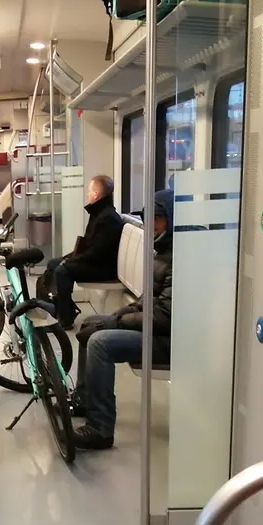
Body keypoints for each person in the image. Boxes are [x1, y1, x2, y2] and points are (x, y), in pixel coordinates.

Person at [72, 188, 174, 450]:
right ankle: (84, 400)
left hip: (170, 340)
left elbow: (166, 317)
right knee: (89, 324)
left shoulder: (180, 259)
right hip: (156, 329)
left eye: (158, 218)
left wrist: (117, 322)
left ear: (172, 220)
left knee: (100, 342)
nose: (151, 225)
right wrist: (120, 314)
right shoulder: (163, 253)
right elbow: (149, 300)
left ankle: (100, 428)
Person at [46, 175, 124, 329]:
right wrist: (70, 258)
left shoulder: (107, 218)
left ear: (96, 195)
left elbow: (97, 252)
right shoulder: (100, 214)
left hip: (103, 268)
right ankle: (55, 310)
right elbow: (90, 246)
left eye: (89, 192)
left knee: (63, 271)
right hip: (96, 262)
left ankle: (65, 318)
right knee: (53, 264)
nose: (87, 195)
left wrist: (71, 261)